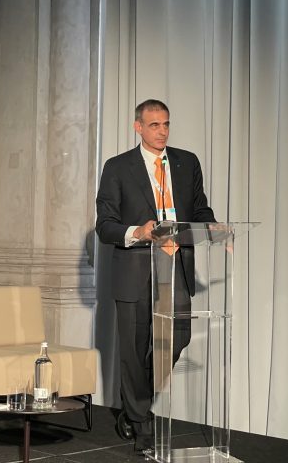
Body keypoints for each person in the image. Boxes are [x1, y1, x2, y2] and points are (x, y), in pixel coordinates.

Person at [95, 99, 216, 452]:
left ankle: (134, 405)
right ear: (138, 127)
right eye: (154, 125)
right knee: (134, 349)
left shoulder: (187, 162)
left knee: (177, 338)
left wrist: (213, 226)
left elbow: (199, 207)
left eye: (166, 124)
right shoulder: (117, 167)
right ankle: (141, 425)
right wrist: (138, 231)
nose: (162, 131)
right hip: (135, 268)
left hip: (175, 264)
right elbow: (105, 226)